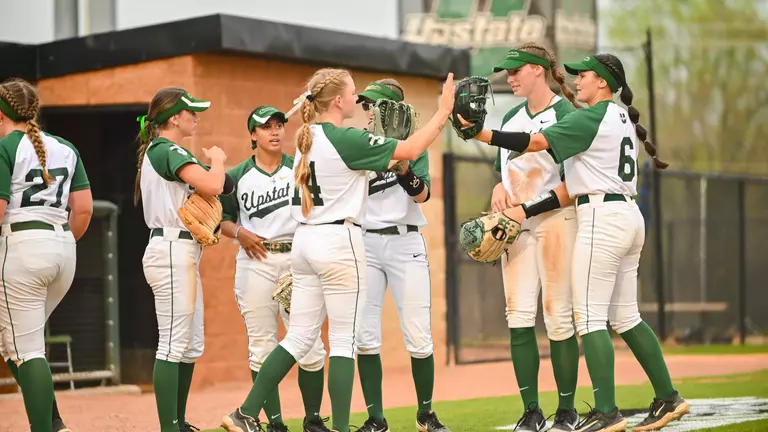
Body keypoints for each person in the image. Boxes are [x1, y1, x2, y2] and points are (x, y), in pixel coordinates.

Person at [461, 54, 688, 432]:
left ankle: (606, 412)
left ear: (602, 82)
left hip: (600, 215)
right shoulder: (620, 116)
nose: (576, 81)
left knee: (587, 317)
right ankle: (668, 398)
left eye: (583, 75)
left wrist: (481, 134)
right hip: (628, 214)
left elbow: (533, 142)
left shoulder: (590, 116)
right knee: (625, 316)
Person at [221, 68, 455, 432]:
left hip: (305, 241)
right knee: (344, 342)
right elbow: (410, 148)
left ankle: (244, 414)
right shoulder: (344, 138)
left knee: (298, 337)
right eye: (353, 93)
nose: (357, 98)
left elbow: (411, 176)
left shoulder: (306, 137)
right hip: (339, 241)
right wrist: (443, 111)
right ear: (339, 101)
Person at [483, 43, 583, 432]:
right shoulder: (509, 116)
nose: (510, 77)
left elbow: (574, 181)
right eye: (508, 72)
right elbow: (505, 174)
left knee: (559, 316)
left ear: (539, 70)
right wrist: (496, 188)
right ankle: (531, 410)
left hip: (558, 220)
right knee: (518, 315)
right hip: (516, 227)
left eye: (517, 70)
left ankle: (567, 410)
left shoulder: (565, 113)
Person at [219, 105, 328, 432]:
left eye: (279, 124)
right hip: (256, 262)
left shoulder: (301, 167)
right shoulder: (237, 176)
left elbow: (318, 209)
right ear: (253, 134)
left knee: (310, 345)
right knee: (262, 346)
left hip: (296, 261)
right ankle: (275, 423)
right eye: (266, 127)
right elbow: (221, 220)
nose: (275, 131)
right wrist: (240, 232)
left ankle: (312, 420)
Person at [354, 79, 449, 432]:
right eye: (365, 104)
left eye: (374, 105)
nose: (367, 111)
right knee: (364, 337)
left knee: (418, 336)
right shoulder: (358, 144)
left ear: (392, 109)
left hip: (404, 242)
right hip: (365, 243)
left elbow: (422, 196)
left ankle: (425, 414)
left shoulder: (413, 145)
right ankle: (376, 419)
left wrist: (405, 169)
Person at [0, 78, 93, 432]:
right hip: (62, 247)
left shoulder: (6, 145)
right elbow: (83, 210)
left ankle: (48, 428)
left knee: (26, 350)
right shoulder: (65, 146)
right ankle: (54, 424)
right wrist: (62, 243)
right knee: (14, 343)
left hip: (21, 247)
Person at [134, 87, 230, 432]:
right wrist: (217, 160)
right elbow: (214, 184)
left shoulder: (169, 151)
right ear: (174, 117)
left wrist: (216, 174)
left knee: (191, 345)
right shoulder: (164, 147)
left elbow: (220, 185)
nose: (196, 117)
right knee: (174, 343)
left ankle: (179, 421)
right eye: (191, 112)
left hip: (183, 251)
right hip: (171, 250)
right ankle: (169, 427)